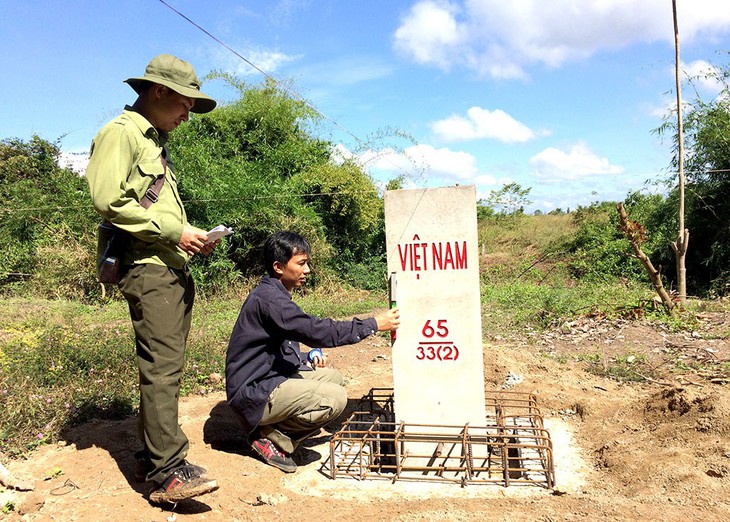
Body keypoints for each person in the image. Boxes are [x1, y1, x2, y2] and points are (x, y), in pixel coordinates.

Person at [85, 54, 219, 504]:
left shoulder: (153, 141)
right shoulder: (121, 134)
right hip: (149, 269)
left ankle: (149, 455)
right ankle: (169, 472)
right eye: (185, 103)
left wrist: (190, 237)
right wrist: (174, 231)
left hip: (169, 266)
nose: (187, 114)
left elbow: (150, 208)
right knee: (162, 371)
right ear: (158, 91)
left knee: (166, 368)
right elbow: (108, 200)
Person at [226, 231, 400, 473]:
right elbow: (317, 331)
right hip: (254, 391)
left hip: (266, 378)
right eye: (301, 263)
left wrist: (306, 358)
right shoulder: (271, 301)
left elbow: (293, 339)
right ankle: (273, 439)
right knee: (334, 399)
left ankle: (272, 429)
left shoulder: (274, 294)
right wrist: (372, 324)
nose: (307, 270)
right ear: (278, 267)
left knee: (333, 379)